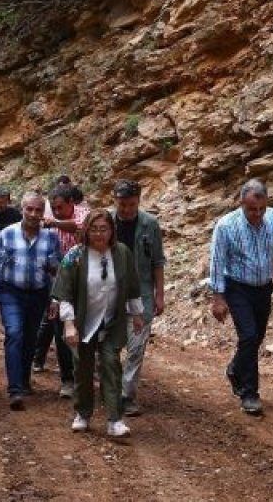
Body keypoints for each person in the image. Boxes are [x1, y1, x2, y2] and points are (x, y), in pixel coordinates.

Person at [207, 179, 273, 416]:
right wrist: (218, 298)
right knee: (248, 335)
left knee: (256, 338)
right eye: (251, 210)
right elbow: (217, 261)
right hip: (237, 288)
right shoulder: (226, 226)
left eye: (261, 209)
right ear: (241, 203)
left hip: (264, 287)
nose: (257, 214)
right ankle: (250, 393)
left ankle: (236, 368)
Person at [54, 209, 144, 437]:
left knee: (111, 365)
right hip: (83, 321)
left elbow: (132, 287)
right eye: (93, 229)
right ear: (86, 230)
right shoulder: (75, 255)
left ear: (112, 230)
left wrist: (137, 315)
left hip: (112, 321)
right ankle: (82, 413)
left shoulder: (122, 253)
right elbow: (64, 293)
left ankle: (115, 420)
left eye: (104, 229)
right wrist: (69, 323)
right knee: (82, 368)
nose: (99, 234)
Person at [0, 192, 61, 410]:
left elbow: (56, 272)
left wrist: (55, 299)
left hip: (38, 294)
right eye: (29, 209)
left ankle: (24, 378)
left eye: (38, 210)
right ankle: (15, 389)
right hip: (11, 292)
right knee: (15, 333)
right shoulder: (7, 234)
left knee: (30, 339)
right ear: (22, 209)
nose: (33, 214)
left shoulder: (50, 238)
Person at [112, 180, 166, 417]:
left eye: (131, 204)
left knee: (136, 348)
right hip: (109, 295)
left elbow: (157, 261)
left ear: (139, 201)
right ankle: (111, 389)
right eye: (122, 204)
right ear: (115, 200)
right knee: (109, 347)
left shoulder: (150, 224)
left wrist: (159, 294)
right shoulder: (105, 223)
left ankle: (127, 396)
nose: (126, 209)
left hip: (141, 294)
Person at [33, 184, 88, 398]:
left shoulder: (83, 213)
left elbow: (79, 228)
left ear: (71, 204)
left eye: (60, 208)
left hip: (84, 280)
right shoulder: (48, 218)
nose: (56, 212)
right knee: (59, 327)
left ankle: (84, 372)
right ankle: (67, 379)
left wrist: (55, 222)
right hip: (57, 280)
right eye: (53, 208)